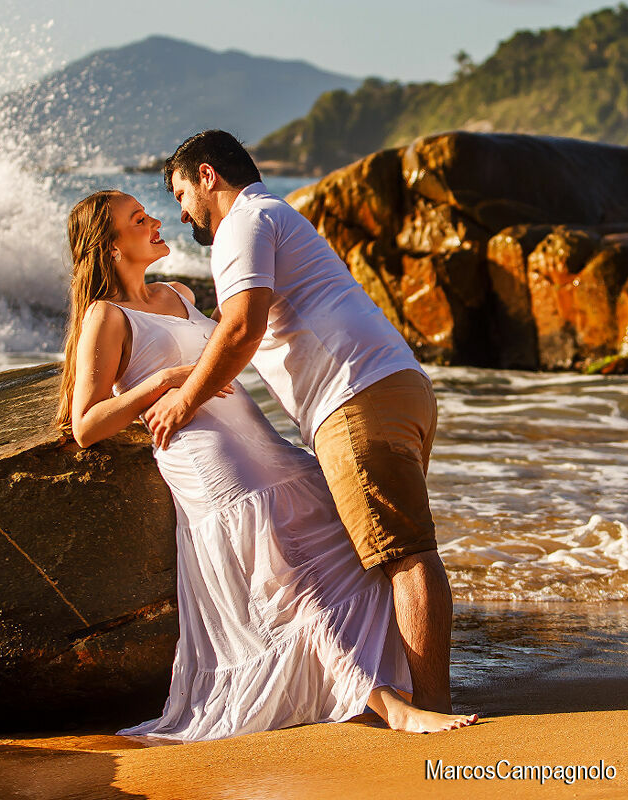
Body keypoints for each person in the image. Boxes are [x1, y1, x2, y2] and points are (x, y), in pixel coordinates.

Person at [56, 189, 477, 739]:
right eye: (139, 220)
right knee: (288, 579)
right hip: (205, 452)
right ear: (110, 248)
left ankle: (390, 680)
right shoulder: (105, 317)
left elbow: (238, 336)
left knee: (352, 541)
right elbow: (86, 423)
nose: (158, 220)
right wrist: (161, 382)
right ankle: (390, 704)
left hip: (255, 437)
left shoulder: (178, 292)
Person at [143, 130, 458, 715]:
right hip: (394, 384)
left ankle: (431, 706)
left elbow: (242, 328)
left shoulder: (241, 222)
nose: (181, 213)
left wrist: (183, 401)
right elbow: (232, 324)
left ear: (208, 176)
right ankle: (411, 691)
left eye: (182, 194)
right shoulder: (275, 215)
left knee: (404, 551)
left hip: (354, 395)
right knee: (397, 545)